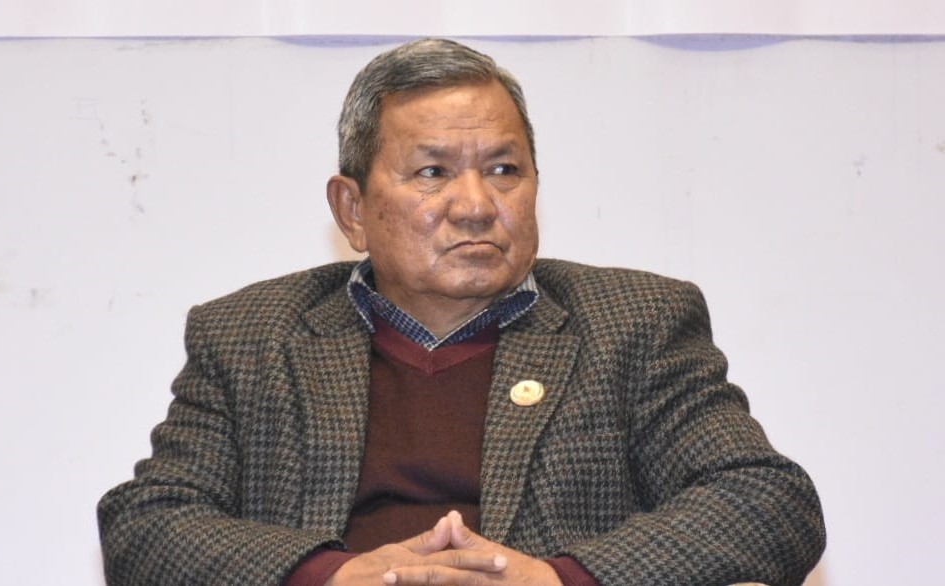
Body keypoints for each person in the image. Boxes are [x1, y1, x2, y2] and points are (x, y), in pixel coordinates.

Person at [98, 38, 825, 586]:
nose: (476, 205)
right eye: (433, 172)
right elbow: (147, 523)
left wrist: (558, 579)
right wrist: (332, 575)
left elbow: (768, 501)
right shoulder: (253, 335)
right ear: (352, 210)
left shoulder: (633, 322)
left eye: (504, 170)